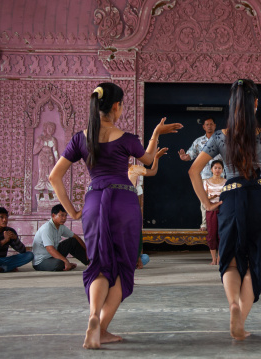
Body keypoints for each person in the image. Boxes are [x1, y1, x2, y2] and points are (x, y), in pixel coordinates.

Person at [49, 82, 182, 349]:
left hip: (94, 201)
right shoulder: (127, 138)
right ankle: (102, 326)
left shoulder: (80, 139)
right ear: (116, 106)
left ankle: (93, 319)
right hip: (123, 200)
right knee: (123, 266)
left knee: (98, 265)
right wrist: (155, 134)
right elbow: (147, 160)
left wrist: (73, 210)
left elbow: (54, 177)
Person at [188, 79, 261, 340]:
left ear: (232, 104)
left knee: (230, 258)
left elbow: (193, 170)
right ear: (256, 105)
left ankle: (233, 306)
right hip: (260, 196)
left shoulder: (219, 137)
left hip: (231, 195)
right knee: (255, 261)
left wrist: (207, 204)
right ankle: (242, 319)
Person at [179, 117, 224, 231]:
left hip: (220, 176)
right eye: (207, 124)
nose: (209, 126)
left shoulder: (222, 139)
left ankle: (222, 224)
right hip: (204, 176)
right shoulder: (198, 141)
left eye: (211, 124)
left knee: (222, 200)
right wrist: (185, 157)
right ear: (203, 127)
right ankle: (205, 224)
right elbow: (191, 154)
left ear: (215, 125)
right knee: (204, 200)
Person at [128, 149, 167, 269]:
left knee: (135, 233)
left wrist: (156, 158)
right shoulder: (112, 169)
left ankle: (135, 259)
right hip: (121, 205)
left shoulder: (133, 169)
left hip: (129, 205)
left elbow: (153, 171)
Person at [32, 204, 89, 271]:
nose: (64, 218)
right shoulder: (47, 228)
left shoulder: (61, 226)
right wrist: (66, 261)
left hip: (53, 255)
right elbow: (50, 249)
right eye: (61, 215)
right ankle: (66, 264)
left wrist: (87, 251)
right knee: (59, 263)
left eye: (65, 215)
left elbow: (76, 237)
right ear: (53, 215)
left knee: (72, 241)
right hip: (42, 261)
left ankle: (90, 262)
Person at [0, 207, 34, 273]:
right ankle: (6, 268)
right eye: (1, 217)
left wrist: (16, 239)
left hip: (4, 260)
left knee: (30, 255)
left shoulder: (9, 231)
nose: (5, 220)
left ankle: (0, 269)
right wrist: (4, 241)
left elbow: (22, 250)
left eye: (6, 217)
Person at [203, 160, 226, 265]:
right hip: (211, 210)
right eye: (215, 168)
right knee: (212, 234)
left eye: (219, 168)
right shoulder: (206, 182)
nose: (217, 170)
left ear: (222, 169)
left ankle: (220, 258)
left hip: (223, 210)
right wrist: (211, 197)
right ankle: (213, 258)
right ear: (211, 169)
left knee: (222, 234)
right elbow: (203, 197)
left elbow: (228, 196)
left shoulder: (226, 182)